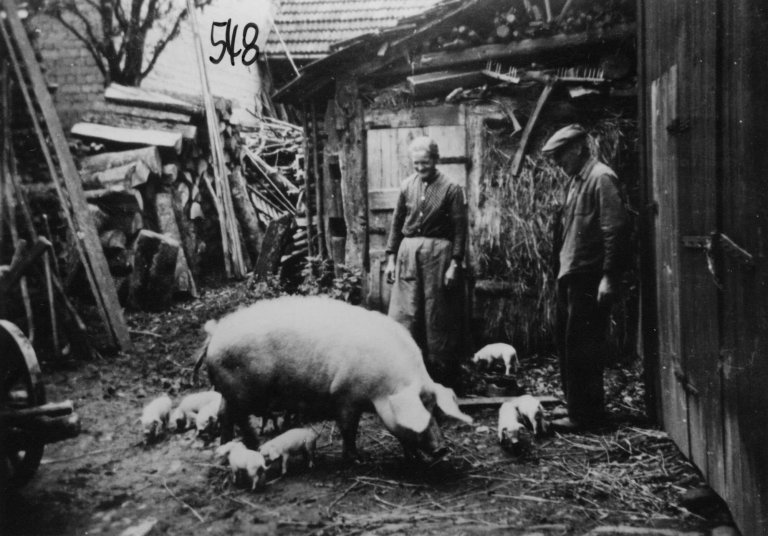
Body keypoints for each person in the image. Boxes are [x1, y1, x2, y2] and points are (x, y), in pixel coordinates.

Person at [542, 124, 630, 431]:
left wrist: (609, 277)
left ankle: (586, 417)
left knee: (584, 346)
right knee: (569, 344)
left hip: (589, 277)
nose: (557, 162)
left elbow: (615, 229)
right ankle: (576, 407)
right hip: (571, 274)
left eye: (561, 154)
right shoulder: (577, 181)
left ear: (579, 148)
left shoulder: (600, 177)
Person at [384, 136, 467, 388]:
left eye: (425, 162)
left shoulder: (452, 188)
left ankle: (441, 376)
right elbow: (397, 224)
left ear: (436, 159)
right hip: (408, 255)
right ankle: (406, 373)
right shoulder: (406, 186)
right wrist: (391, 258)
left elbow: (460, 229)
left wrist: (455, 263)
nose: (421, 168)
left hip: (439, 255)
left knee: (437, 312)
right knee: (407, 311)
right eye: (416, 163)